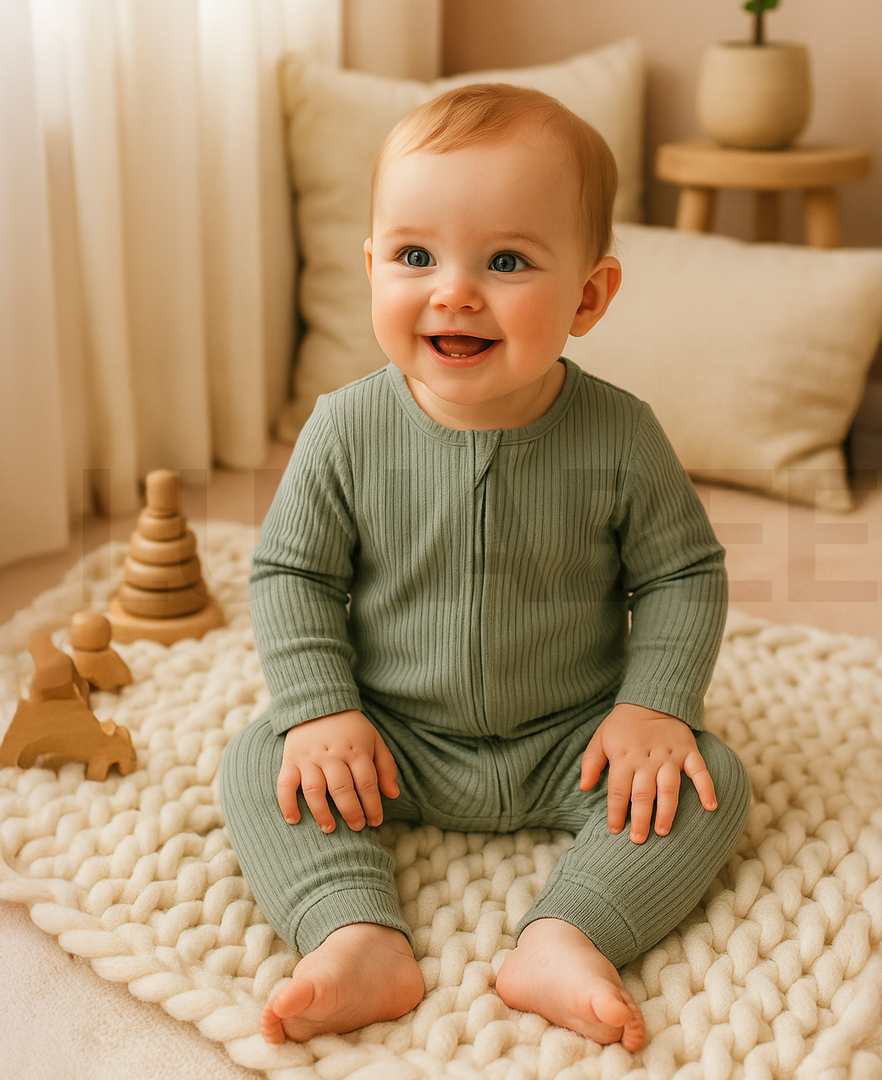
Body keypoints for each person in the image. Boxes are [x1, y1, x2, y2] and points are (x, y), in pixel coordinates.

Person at [220, 83, 751, 1052]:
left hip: (571, 738)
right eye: (416, 257)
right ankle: (353, 931)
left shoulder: (621, 436)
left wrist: (653, 707)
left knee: (707, 778)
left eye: (506, 260)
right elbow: (291, 575)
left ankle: (568, 931)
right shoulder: (345, 430)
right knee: (262, 761)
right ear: (372, 266)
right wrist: (322, 709)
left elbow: (683, 576)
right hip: (390, 738)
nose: (454, 290)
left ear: (589, 296)